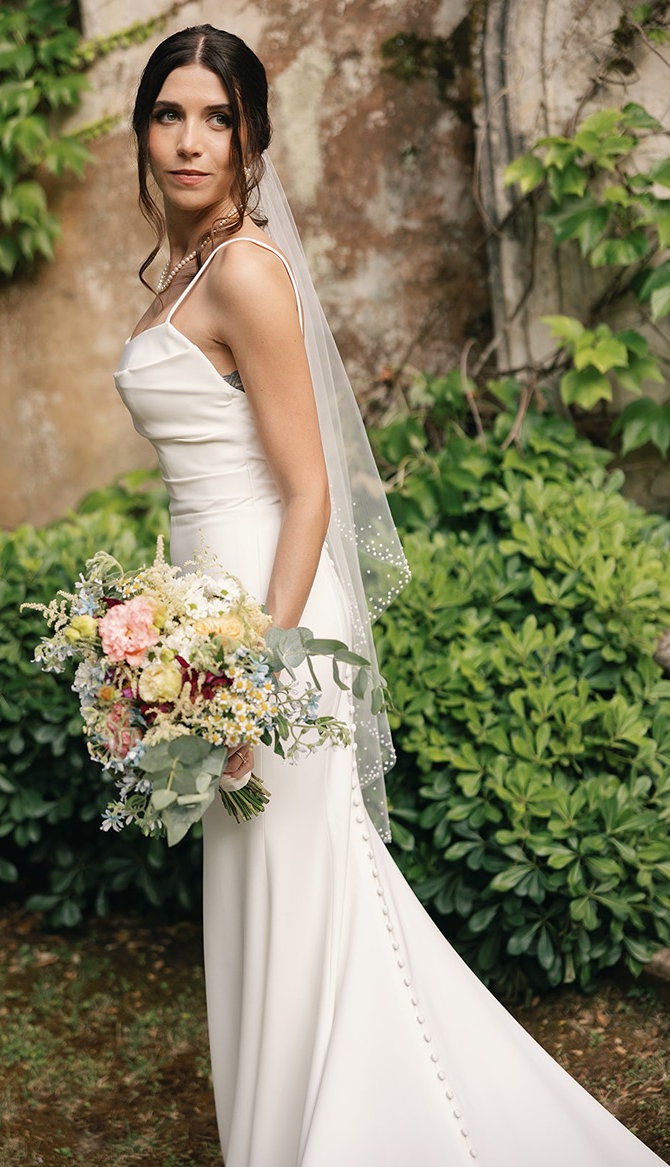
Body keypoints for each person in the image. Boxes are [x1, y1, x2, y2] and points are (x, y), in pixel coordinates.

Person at [114, 24, 666, 1167]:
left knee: (308, 897)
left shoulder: (248, 271)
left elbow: (310, 489)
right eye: (171, 113)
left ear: (253, 139)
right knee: (265, 900)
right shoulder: (182, 273)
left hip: (270, 628)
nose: (190, 139)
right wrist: (157, 640)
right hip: (208, 626)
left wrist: (248, 676)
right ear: (143, 130)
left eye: (218, 118)